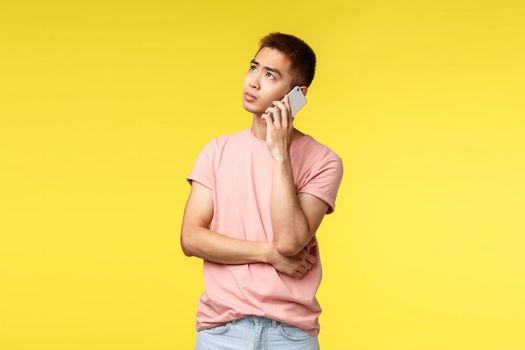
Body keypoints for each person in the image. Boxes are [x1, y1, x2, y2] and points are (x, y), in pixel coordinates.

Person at [181, 32, 344, 350]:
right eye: (253, 68)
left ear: (298, 94)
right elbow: (191, 239)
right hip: (220, 331)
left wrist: (280, 155)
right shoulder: (217, 151)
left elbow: (291, 241)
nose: (253, 82)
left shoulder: (324, 161)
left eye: (270, 75)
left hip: (290, 335)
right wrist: (267, 254)